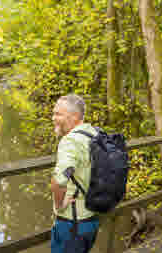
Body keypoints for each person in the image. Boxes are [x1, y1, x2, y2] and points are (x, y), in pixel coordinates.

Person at [50, 94, 99, 253]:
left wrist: (59, 206)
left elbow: (58, 181)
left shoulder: (70, 141)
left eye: (58, 114)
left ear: (75, 116)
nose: (53, 118)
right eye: (54, 113)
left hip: (72, 224)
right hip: (92, 219)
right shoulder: (94, 133)